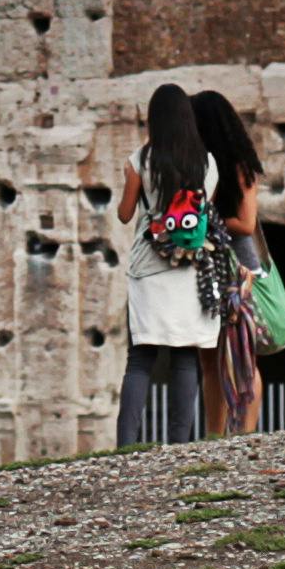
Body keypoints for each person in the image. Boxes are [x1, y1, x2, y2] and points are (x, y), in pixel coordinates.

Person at [114, 83, 216, 450]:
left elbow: (125, 215)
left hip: (149, 265)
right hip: (191, 266)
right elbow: (203, 214)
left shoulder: (140, 159)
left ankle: (126, 445)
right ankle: (180, 445)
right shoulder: (207, 162)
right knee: (185, 355)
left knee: (141, 358)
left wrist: (134, 186)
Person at [191, 90, 272, 434]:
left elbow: (247, 223)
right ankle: (214, 434)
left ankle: (245, 433)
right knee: (208, 357)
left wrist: (205, 219)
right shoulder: (203, 167)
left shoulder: (240, 167)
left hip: (239, 270)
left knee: (242, 356)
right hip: (211, 269)